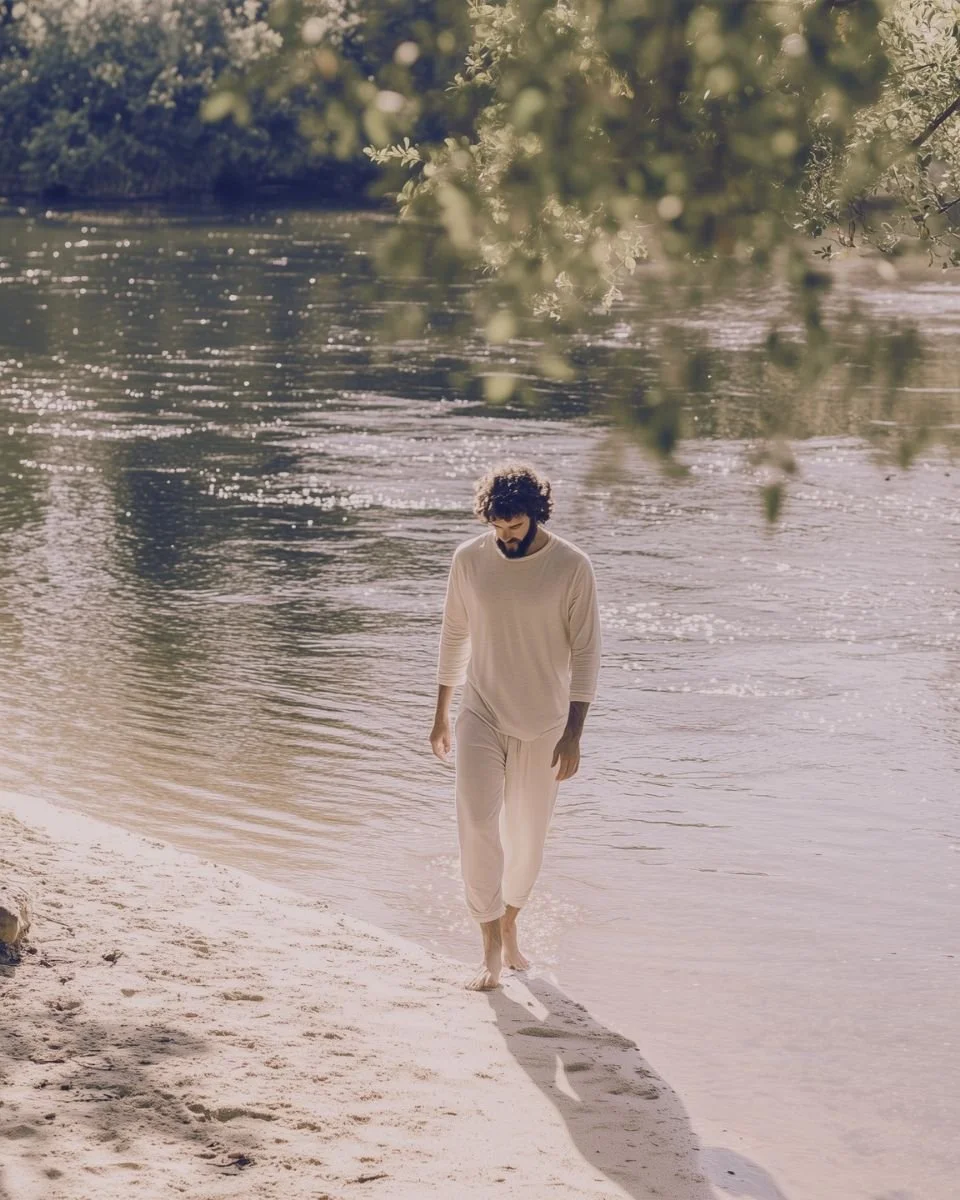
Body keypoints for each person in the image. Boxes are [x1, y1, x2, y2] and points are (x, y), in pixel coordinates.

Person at [430, 462, 602, 990]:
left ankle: (509, 924)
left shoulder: (571, 566)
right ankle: (487, 946)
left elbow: (587, 652)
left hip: (545, 722)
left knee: (527, 839)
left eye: (515, 527)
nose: (505, 538)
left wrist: (573, 732)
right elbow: (455, 633)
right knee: (478, 824)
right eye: (497, 528)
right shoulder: (470, 558)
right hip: (481, 709)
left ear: (536, 514)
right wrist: (441, 711)